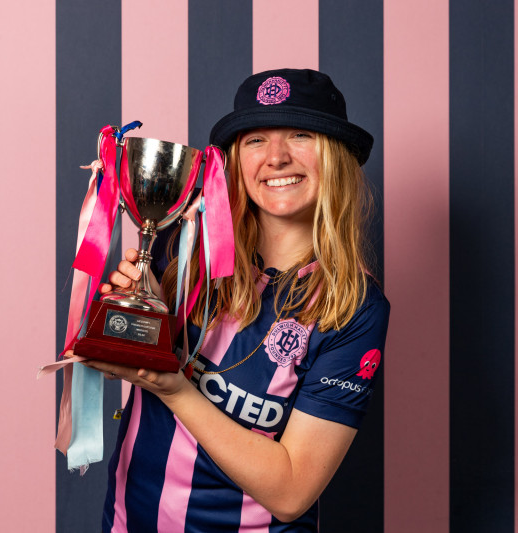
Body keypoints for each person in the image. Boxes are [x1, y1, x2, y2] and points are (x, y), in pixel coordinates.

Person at [80, 68, 390, 532]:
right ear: (233, 161)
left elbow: (291, 493)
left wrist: (174, 387)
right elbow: (120, 366)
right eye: (255, 140)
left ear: (336, 156)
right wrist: (135, 325)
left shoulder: (356, 308)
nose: (277, 157)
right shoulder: (183, 244)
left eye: (301, 134)